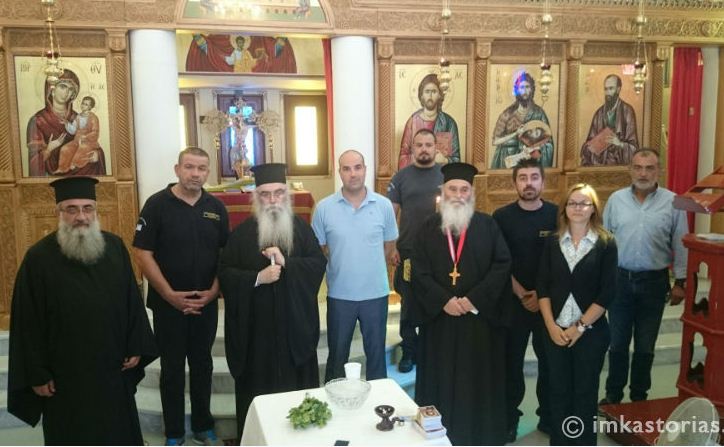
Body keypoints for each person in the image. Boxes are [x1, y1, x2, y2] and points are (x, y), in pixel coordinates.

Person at [8, 176, 157, 445]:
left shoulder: (114, 248)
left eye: (88, 208)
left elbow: (131, 301)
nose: (81, 217)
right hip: (65, 374)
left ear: (95, 211)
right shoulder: (38, 258)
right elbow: (27, 322)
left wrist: (135, 344)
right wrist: (37, 373)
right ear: (59, 212)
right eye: (72, 209)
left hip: (112, 367)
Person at [218, 163, 326, 441]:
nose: (273, 200)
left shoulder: (301, 230)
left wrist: (287, 263)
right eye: (265, 194)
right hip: (257, 338)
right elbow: (225, 274)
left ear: (286, 195)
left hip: (294, 333)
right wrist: (257, 278)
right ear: (256, 197)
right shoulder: (241, 235)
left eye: (278, 193)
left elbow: (317, 265)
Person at [133, 147, 229, 446]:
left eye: (201, 168)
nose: (195, 174)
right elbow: (142, 252)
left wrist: (214, 291)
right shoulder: (156, 205)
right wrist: (169, 294)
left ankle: (203, 425)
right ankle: (174, 432)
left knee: (202, 365)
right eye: (189, 167)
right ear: (177, 169)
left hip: (205, 304)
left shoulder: (216, 207)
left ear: (208, 172)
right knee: (172, 369)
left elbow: (226, 254)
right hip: (168, 305)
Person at [411, 162, 512, 445]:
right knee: (439, 379)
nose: (458, 195)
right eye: (452, 189)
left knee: (475, 380)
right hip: (440, 322)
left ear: (472, 193)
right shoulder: (427, 228)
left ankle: (476, 436)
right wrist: (443, 300)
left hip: (478, 323)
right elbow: (418, 271)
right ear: (443, 192)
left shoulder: (488, 225)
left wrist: (472, 300)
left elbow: (502, 265)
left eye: (463, 189)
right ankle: (437, 436)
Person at [600, 148, 688, 405]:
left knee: (645, 345)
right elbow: (604, 241)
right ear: (630, 170)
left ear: (659, 171)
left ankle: (639, 397)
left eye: (649, 168)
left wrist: (681, 282)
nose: (643, 173)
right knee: (617, 343)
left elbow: (681, 243)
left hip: (654, 283)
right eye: (638, 167)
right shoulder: (616, 200)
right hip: (619, 281)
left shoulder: (674, 202)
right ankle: (614, 395)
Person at [537, 183, 617, 445]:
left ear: (594, 209)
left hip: (590, 333)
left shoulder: (606, 242)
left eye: (584, 203)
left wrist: (579, 327)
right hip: (556, 331)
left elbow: (607, 293)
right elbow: (543, 286)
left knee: (585, 392)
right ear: (565, 208)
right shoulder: (552, 241)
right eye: (573, 203)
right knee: (558, 391)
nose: (578, 208)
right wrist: (551, 326)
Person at [312, 150, 398, 382]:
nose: (353, 173)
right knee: (337, 357)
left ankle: (379, 402)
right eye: (347, 168)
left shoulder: (383, 205)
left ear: (365, 169)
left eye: (358, 167)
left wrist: (367, 266)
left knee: (376, 357)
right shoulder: (324, 208)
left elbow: (389, 246)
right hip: (340, 296)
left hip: (375, 295)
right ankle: (335, 400)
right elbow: (321, 249)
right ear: (339, 172)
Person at [492, 158, 557, 442]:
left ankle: (548, 416)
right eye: (523, 178)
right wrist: (521, 293)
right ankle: (509, 419)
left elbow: (560, 262)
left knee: (550, 363)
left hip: (548, 305)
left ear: (542, 181)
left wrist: (541, 296)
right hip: (513, 304)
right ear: (515, 183)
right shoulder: (501, 217)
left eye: (534, 177)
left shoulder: (557, 215)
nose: (528, 183)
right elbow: (499, 262)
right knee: (510, 365)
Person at [387, 128, 444, 373]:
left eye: (428, 145)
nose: (424, 149)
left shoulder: (445, 175)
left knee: (436, 299)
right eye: (419, 145)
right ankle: (409, 350)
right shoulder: (401, 177)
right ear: (412, 149)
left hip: (439, 252)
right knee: (409, 303)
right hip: (409, 251)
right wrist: (392, 247)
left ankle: (431, 349)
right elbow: (390, 216)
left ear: (435, 148)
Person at [26, 68, 107, 176]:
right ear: (52, 90)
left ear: (73, 94)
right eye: (63, 86)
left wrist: (97, 154)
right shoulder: (38, 121)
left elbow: (93, 141)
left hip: (81, 174)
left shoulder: (77, 117)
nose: (67, 92)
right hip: (52, 178)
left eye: (71, 89)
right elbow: (34, 162)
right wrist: (49, 149)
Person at [491, 71, 554, 169]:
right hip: (508, 159)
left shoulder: (539, 113)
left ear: (532, 89)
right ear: (517, 90)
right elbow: (495, 141)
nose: (524, 91)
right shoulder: (507, 113)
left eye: (527, 87)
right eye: (521, 87)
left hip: (531, 161)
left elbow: (548, 142)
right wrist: (515, 133)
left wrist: (536, 149)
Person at [398, 74, 461, 169]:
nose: (430, 96)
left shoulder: (449, 123)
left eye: (434, 91)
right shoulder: (413, 121)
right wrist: (422, 157)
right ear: (421, 95)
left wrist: (445, 160)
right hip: (417, 175)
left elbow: (456, 159)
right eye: (427, 91)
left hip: (440, 175)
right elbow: (403, 157)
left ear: (440, 95)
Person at [580, 74, 639, 166]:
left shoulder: (627, 111)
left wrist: (619, 144)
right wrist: (590, 146)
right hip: (599, 165)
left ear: (618, 89)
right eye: (606, 89)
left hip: (619, 166)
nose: (607, 93)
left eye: (611, 89)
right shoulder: (599, 113)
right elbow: (588, 144)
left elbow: (634, 148)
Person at [54, 96, 102, 174]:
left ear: (90, 107)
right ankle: (62, 168)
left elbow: (95, 132)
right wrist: (66, 123)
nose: (83, 105)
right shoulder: (78, 116)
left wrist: (85, 137)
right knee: (65, 148)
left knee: (82, 148)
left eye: (86, 104)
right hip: (77, 140)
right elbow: (73, 130)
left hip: (89, 142)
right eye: (83, 103)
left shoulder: (93, 118)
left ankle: (74, 164)